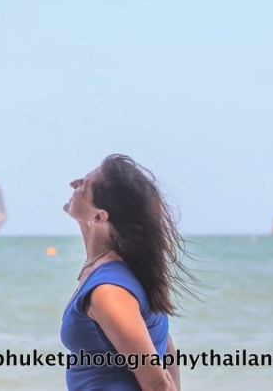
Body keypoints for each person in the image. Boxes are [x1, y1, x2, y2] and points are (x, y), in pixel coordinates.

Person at [61, 155, 194, 390]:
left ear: (99, 216)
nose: (74, 183)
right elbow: (166, 349)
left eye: (85, 184)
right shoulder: (120, 270)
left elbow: (156, 382)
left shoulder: (109, 291)